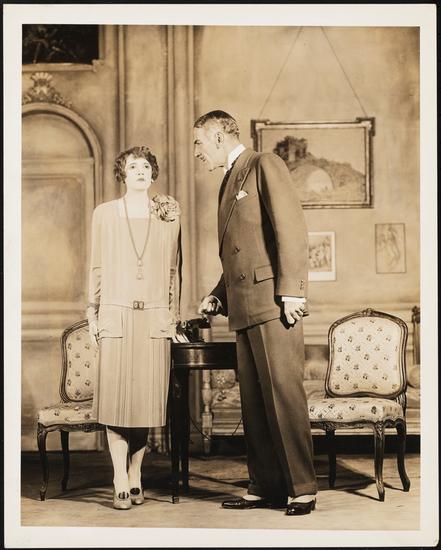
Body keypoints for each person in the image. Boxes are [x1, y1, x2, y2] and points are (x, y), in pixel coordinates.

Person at [194, 110, 317, 516]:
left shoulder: (264, 164)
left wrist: (293, 291)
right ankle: (265, 486)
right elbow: (242, 251)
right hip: (244, 307)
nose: (196, 152)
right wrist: (218, 295)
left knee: (283, 398)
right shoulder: (229, 179)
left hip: (273, 304)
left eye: (198, 143)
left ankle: (303, 489)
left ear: (218, 136)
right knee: (255, 404)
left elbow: (291, 230)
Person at [87, 146, 181, 509]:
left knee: (144, 402)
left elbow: (173, 272)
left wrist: (172, 317)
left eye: (145, 166)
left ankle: (136, 472)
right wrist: (93, 313)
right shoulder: (105, 214)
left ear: (153, 174)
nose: (140, 171)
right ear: (122, 174)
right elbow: (97, 266)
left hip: (154, 317)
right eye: (132, 166)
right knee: (116, 401)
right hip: (116, 314)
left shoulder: (168, 215)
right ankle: (118, 477)